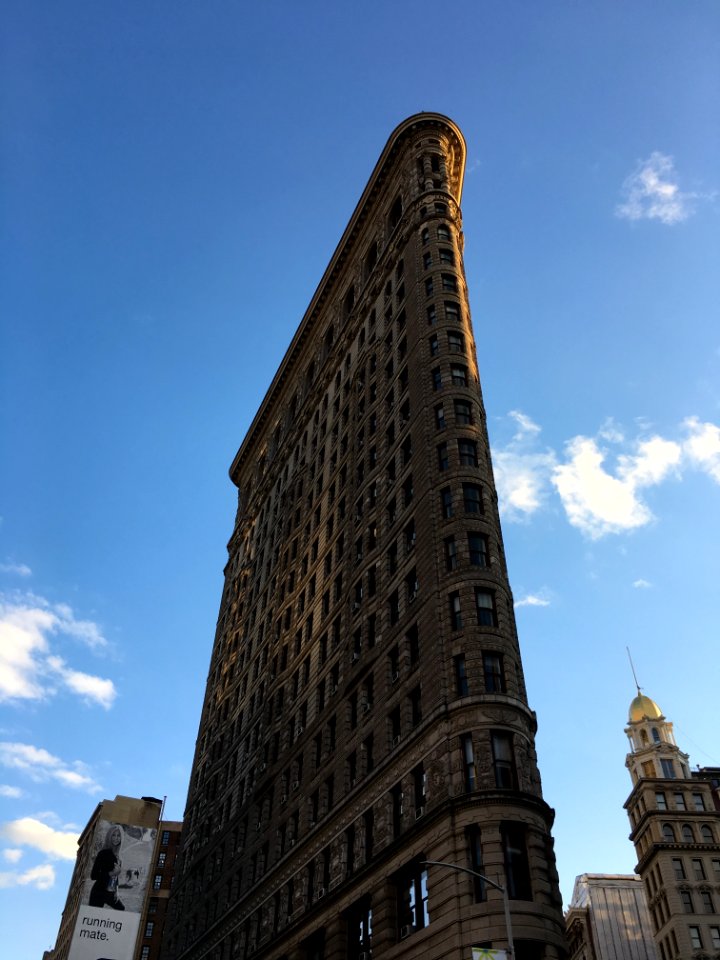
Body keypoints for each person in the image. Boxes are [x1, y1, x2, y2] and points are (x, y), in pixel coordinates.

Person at [89, 825, 125, 910]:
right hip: (99, 891)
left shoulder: (119, 857)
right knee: (93, 917)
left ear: (121, 838)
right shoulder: (103, 853)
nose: (116, 838)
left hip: (110, 893)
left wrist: (116, 891)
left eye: (118, 835)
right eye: (113, 835)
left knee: (121, 909)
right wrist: (112, 873)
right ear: (109, 836)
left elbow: (115, 877)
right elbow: (93, 875)